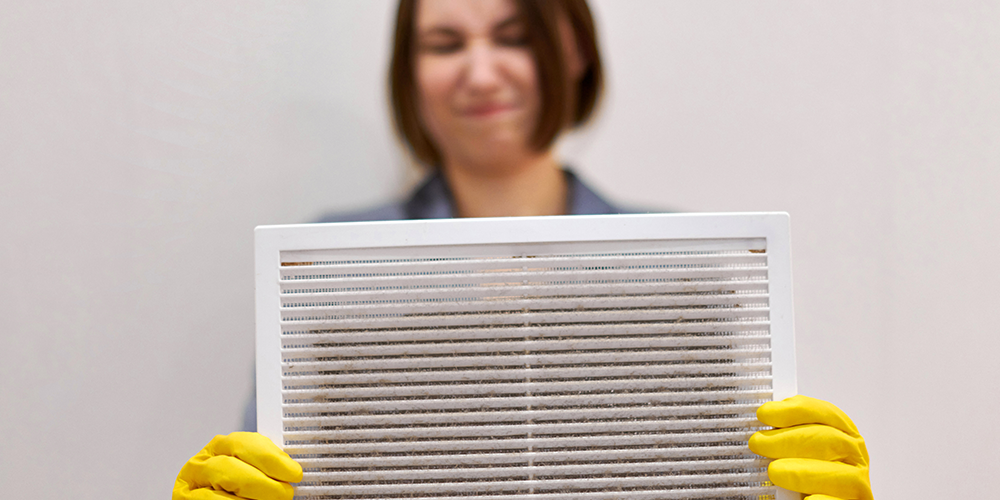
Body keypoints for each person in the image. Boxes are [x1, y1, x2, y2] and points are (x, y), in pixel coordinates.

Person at [173, 1, 873, 500]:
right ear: (410, 73)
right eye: (445, 43)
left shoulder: (681, 271)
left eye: (512, 35)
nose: (481, 74)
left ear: (570, 47)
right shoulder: (318, 276)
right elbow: (282, 476)